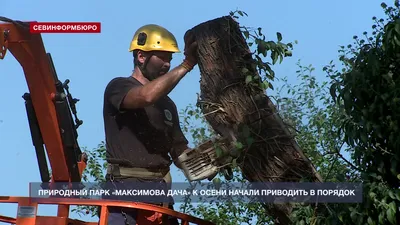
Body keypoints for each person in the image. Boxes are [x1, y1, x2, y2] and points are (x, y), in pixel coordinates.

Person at [101, 24, 198, 225]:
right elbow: (146, 96)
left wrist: (211, 157)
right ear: (141, 56)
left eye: (170, 59)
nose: (167, 64)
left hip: (160, 196)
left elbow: (179, 151)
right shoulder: (119, 87)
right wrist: (187, 64)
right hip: (124, 192)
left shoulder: (168, 105)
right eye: (162, 57)